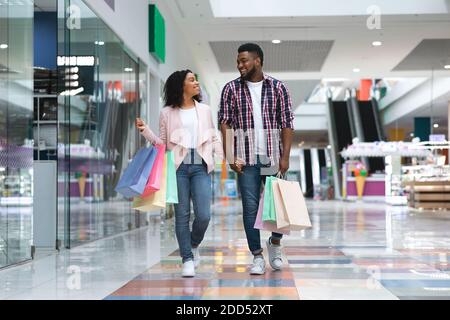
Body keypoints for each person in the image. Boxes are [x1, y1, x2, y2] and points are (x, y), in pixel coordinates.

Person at [136, 70, 223, 277]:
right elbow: (163, 143)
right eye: (192, 80)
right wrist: (146, 131)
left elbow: (213, 136)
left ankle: (193, 244)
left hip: (200, 165)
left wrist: (221, 157)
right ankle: (187, 259)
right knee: (181, 215)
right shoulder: (167, 112)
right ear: (181, 86)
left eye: (196, 79)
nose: (196, 83)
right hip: (178, 167)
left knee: (203, 215)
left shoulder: (204, 110)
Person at [219, 43, 294, 275]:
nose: (239, 65)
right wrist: (230, 156)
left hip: (273, 156)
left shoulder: (278, 87)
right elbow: (225, 123)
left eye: (244, 61)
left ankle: (275, 243)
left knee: (279, 207)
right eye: (238, 61)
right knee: (250, 208)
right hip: (246, 159)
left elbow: (287, 123)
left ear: (257, 61)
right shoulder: (231, 89)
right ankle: (257, 256)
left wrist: (285, 157)